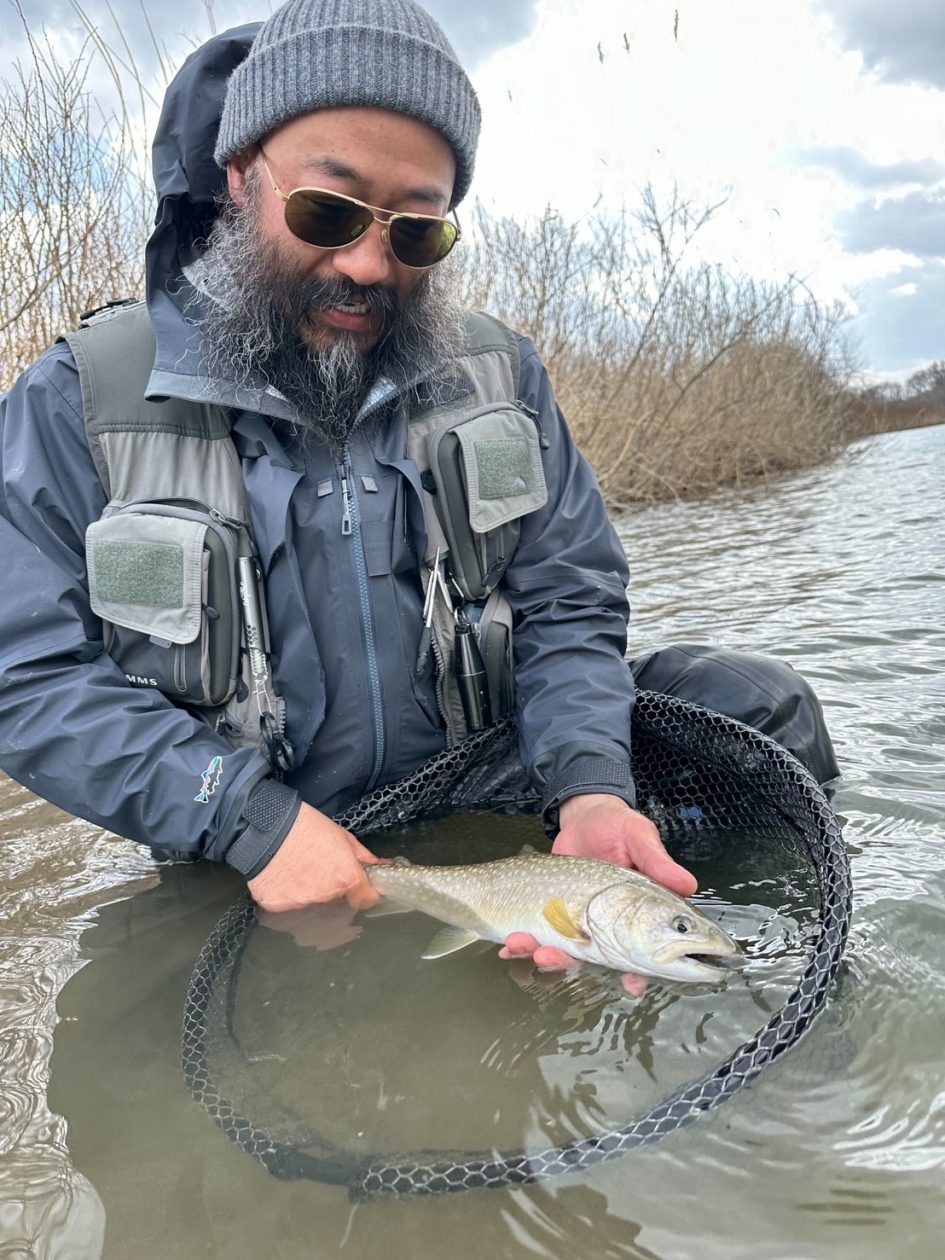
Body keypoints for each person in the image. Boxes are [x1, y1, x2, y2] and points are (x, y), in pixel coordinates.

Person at [0, 0, 836, 984]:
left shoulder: (500, 374)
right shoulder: (80, 396)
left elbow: (569, 604)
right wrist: (243, 818)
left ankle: (774, 987)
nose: (364, 264)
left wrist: (594, 786)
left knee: (755, 707)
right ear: (238, 179)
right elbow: (29, 675)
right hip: (243, 820)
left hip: (491, 776)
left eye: (416, 232)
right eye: (327, 212)